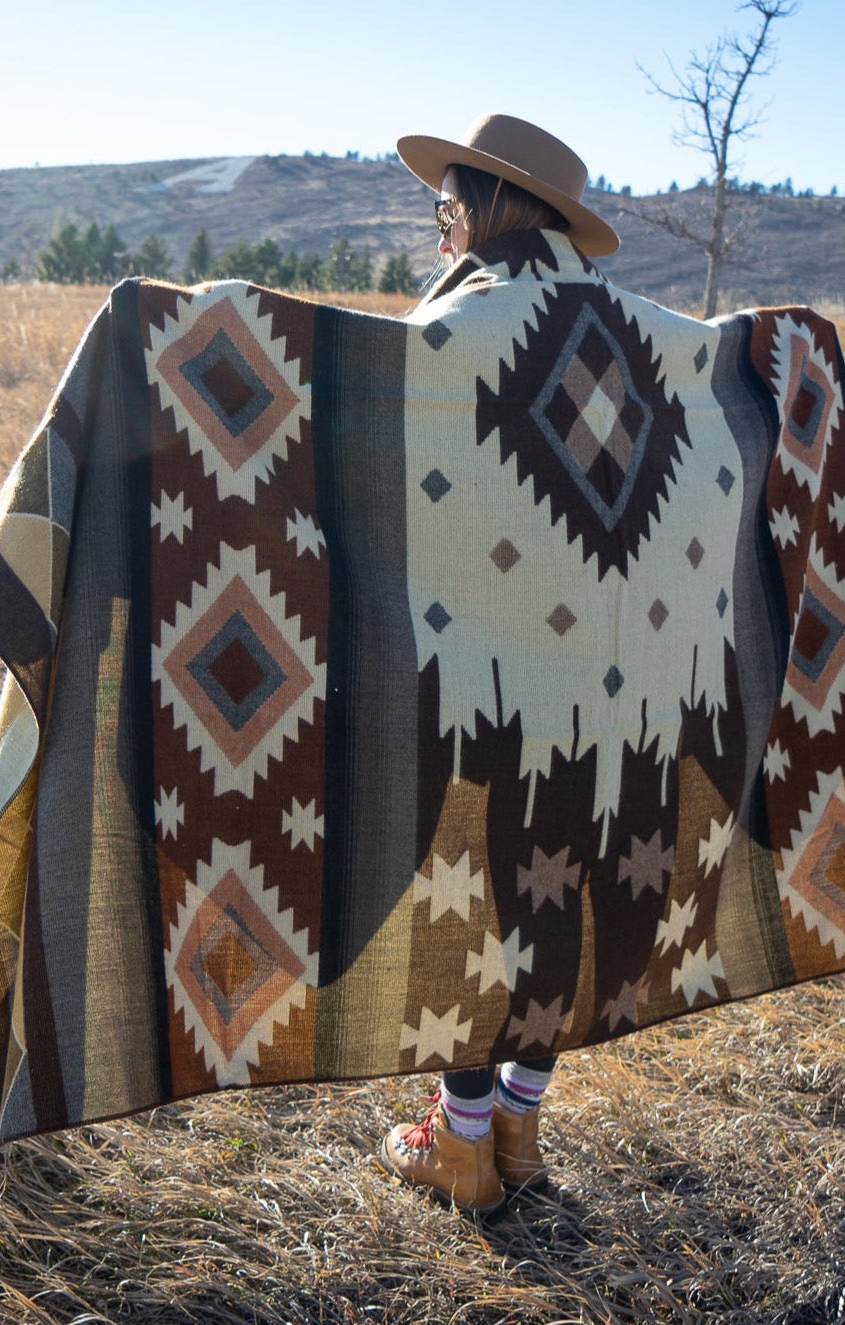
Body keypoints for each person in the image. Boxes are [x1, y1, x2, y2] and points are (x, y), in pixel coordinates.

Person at [376, 114, 620, 1220]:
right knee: (558, 888)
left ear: (483, 208)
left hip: (470, 674)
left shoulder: (455, 324)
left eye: (446, 209)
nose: (439, 232)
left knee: (465, 897)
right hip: (613, 684)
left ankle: (461, 1143)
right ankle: (516, 1128)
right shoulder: (632, 338)